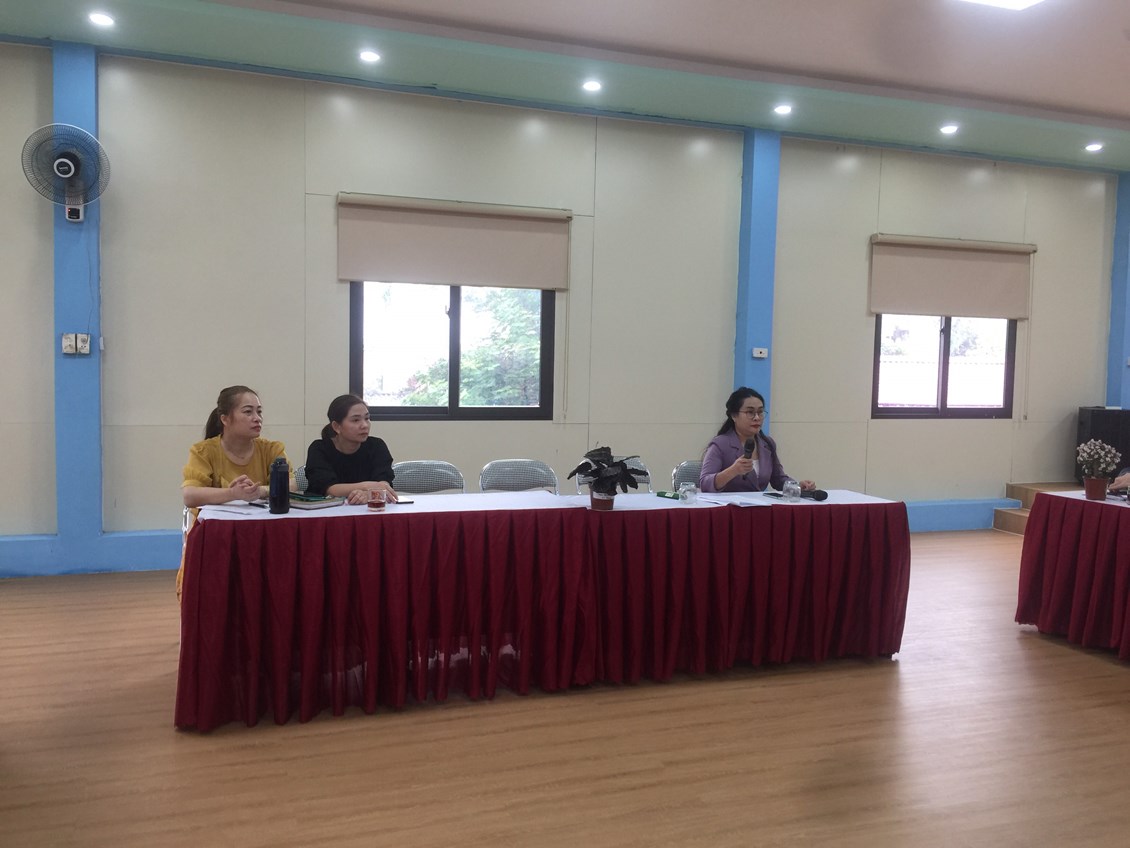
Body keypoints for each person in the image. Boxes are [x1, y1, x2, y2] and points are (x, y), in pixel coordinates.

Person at [179, 384, 296, 598]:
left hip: (264, 537)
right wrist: (232, 494)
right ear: (225, 419)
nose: (257, 418)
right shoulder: (203, 451)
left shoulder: (271, 449)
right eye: (248, 412)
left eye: (259, 412)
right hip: (218, 541)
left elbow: (294, 484)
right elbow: (190, 495)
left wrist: (261, 491)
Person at [698, 387, 815, 494]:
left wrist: (797, 486)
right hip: (729, 507)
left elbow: (778, 479)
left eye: (760, 412)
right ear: (734, 415)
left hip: (760, 506)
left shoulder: (767, 443)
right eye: (750, 412)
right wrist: (732, 471)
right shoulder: (720, 444)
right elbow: (705, 484)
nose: (757, 418)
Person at [304, 394, 398, 505]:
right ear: (336, 427)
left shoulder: (377, 446)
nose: (364, 425)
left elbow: (383, 484)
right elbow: (329, 489)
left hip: (367, 510)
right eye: (355, 420)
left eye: (367, 418)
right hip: (325, 510)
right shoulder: (319, 448)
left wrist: (367, 494)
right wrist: (367, 487)